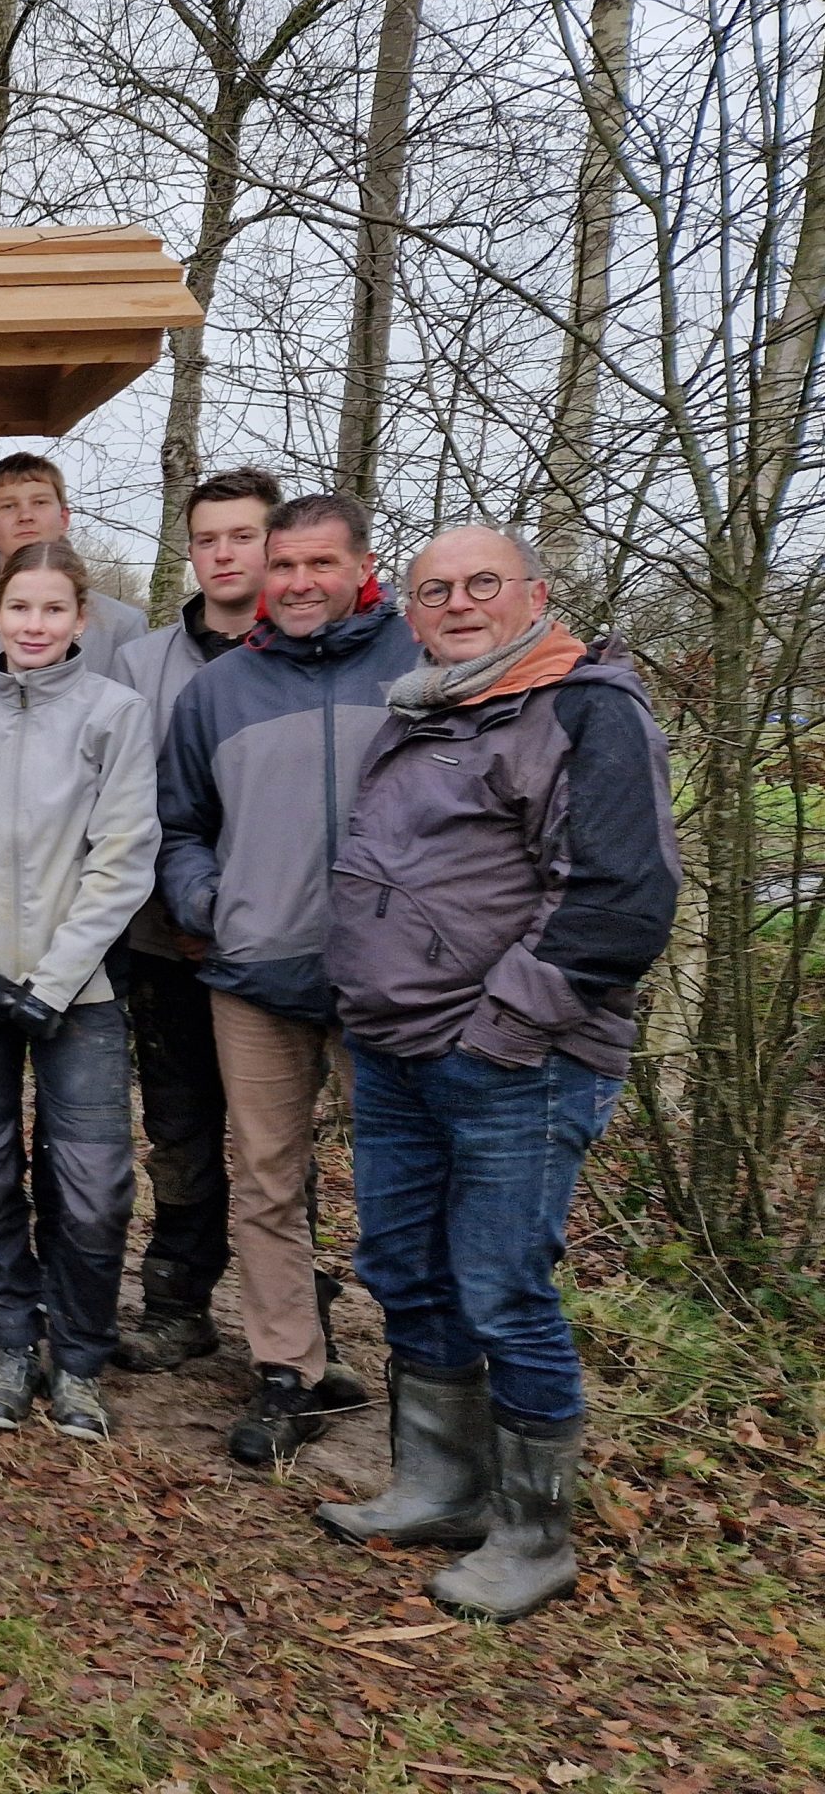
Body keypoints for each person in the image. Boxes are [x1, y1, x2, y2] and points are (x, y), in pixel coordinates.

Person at [318, 526, 677, 1622]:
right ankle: (441, 1486)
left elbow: (617, 903)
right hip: (396, 1052)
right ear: (409, 611)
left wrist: (499, 1033)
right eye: (434, 590)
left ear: (535, 594)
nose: (459, 603)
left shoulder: (586, 711)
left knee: (502, 1289)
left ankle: (532, 1536)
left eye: (483, 583)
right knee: (406, 1269)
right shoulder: (429, 707)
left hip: (515, 1060)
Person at [157, 490, 419, 1465]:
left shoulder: (421, 666)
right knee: (266, 1181)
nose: (300, 582)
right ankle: (288, 1371)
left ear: (362, 566)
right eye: (285, 565)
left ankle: (431, 1381)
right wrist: (208, 904)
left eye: (321, 563)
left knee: (407, 1186)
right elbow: (178, 822)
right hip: (257, 972)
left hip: (398, 980)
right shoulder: (219, 690)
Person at [0, 540, 158, 1442]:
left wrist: (52, 983)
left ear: (81, 618)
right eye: (20, 608)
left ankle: (79, 1359)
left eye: (53, 609)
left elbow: (123, 858)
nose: (35, 625)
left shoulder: (115, 715)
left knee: (90, 1182)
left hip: (78, 993)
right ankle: (10, 1343)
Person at [106, 468, 275, 1373]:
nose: (223, 554)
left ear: (272, 544)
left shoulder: (308, 655)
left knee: (276, 1140)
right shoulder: (144, 666)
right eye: (207, 539)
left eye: (242, 536)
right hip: (165, 940)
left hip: (284, 946)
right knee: (179, 1126)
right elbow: (123, 802)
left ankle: (295, 1323)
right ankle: (178, 1301)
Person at [0, 453, 147, 699]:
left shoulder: (121, 625)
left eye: (40, 502)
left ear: (63, 518)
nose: (26, 516)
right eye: (9, 506)